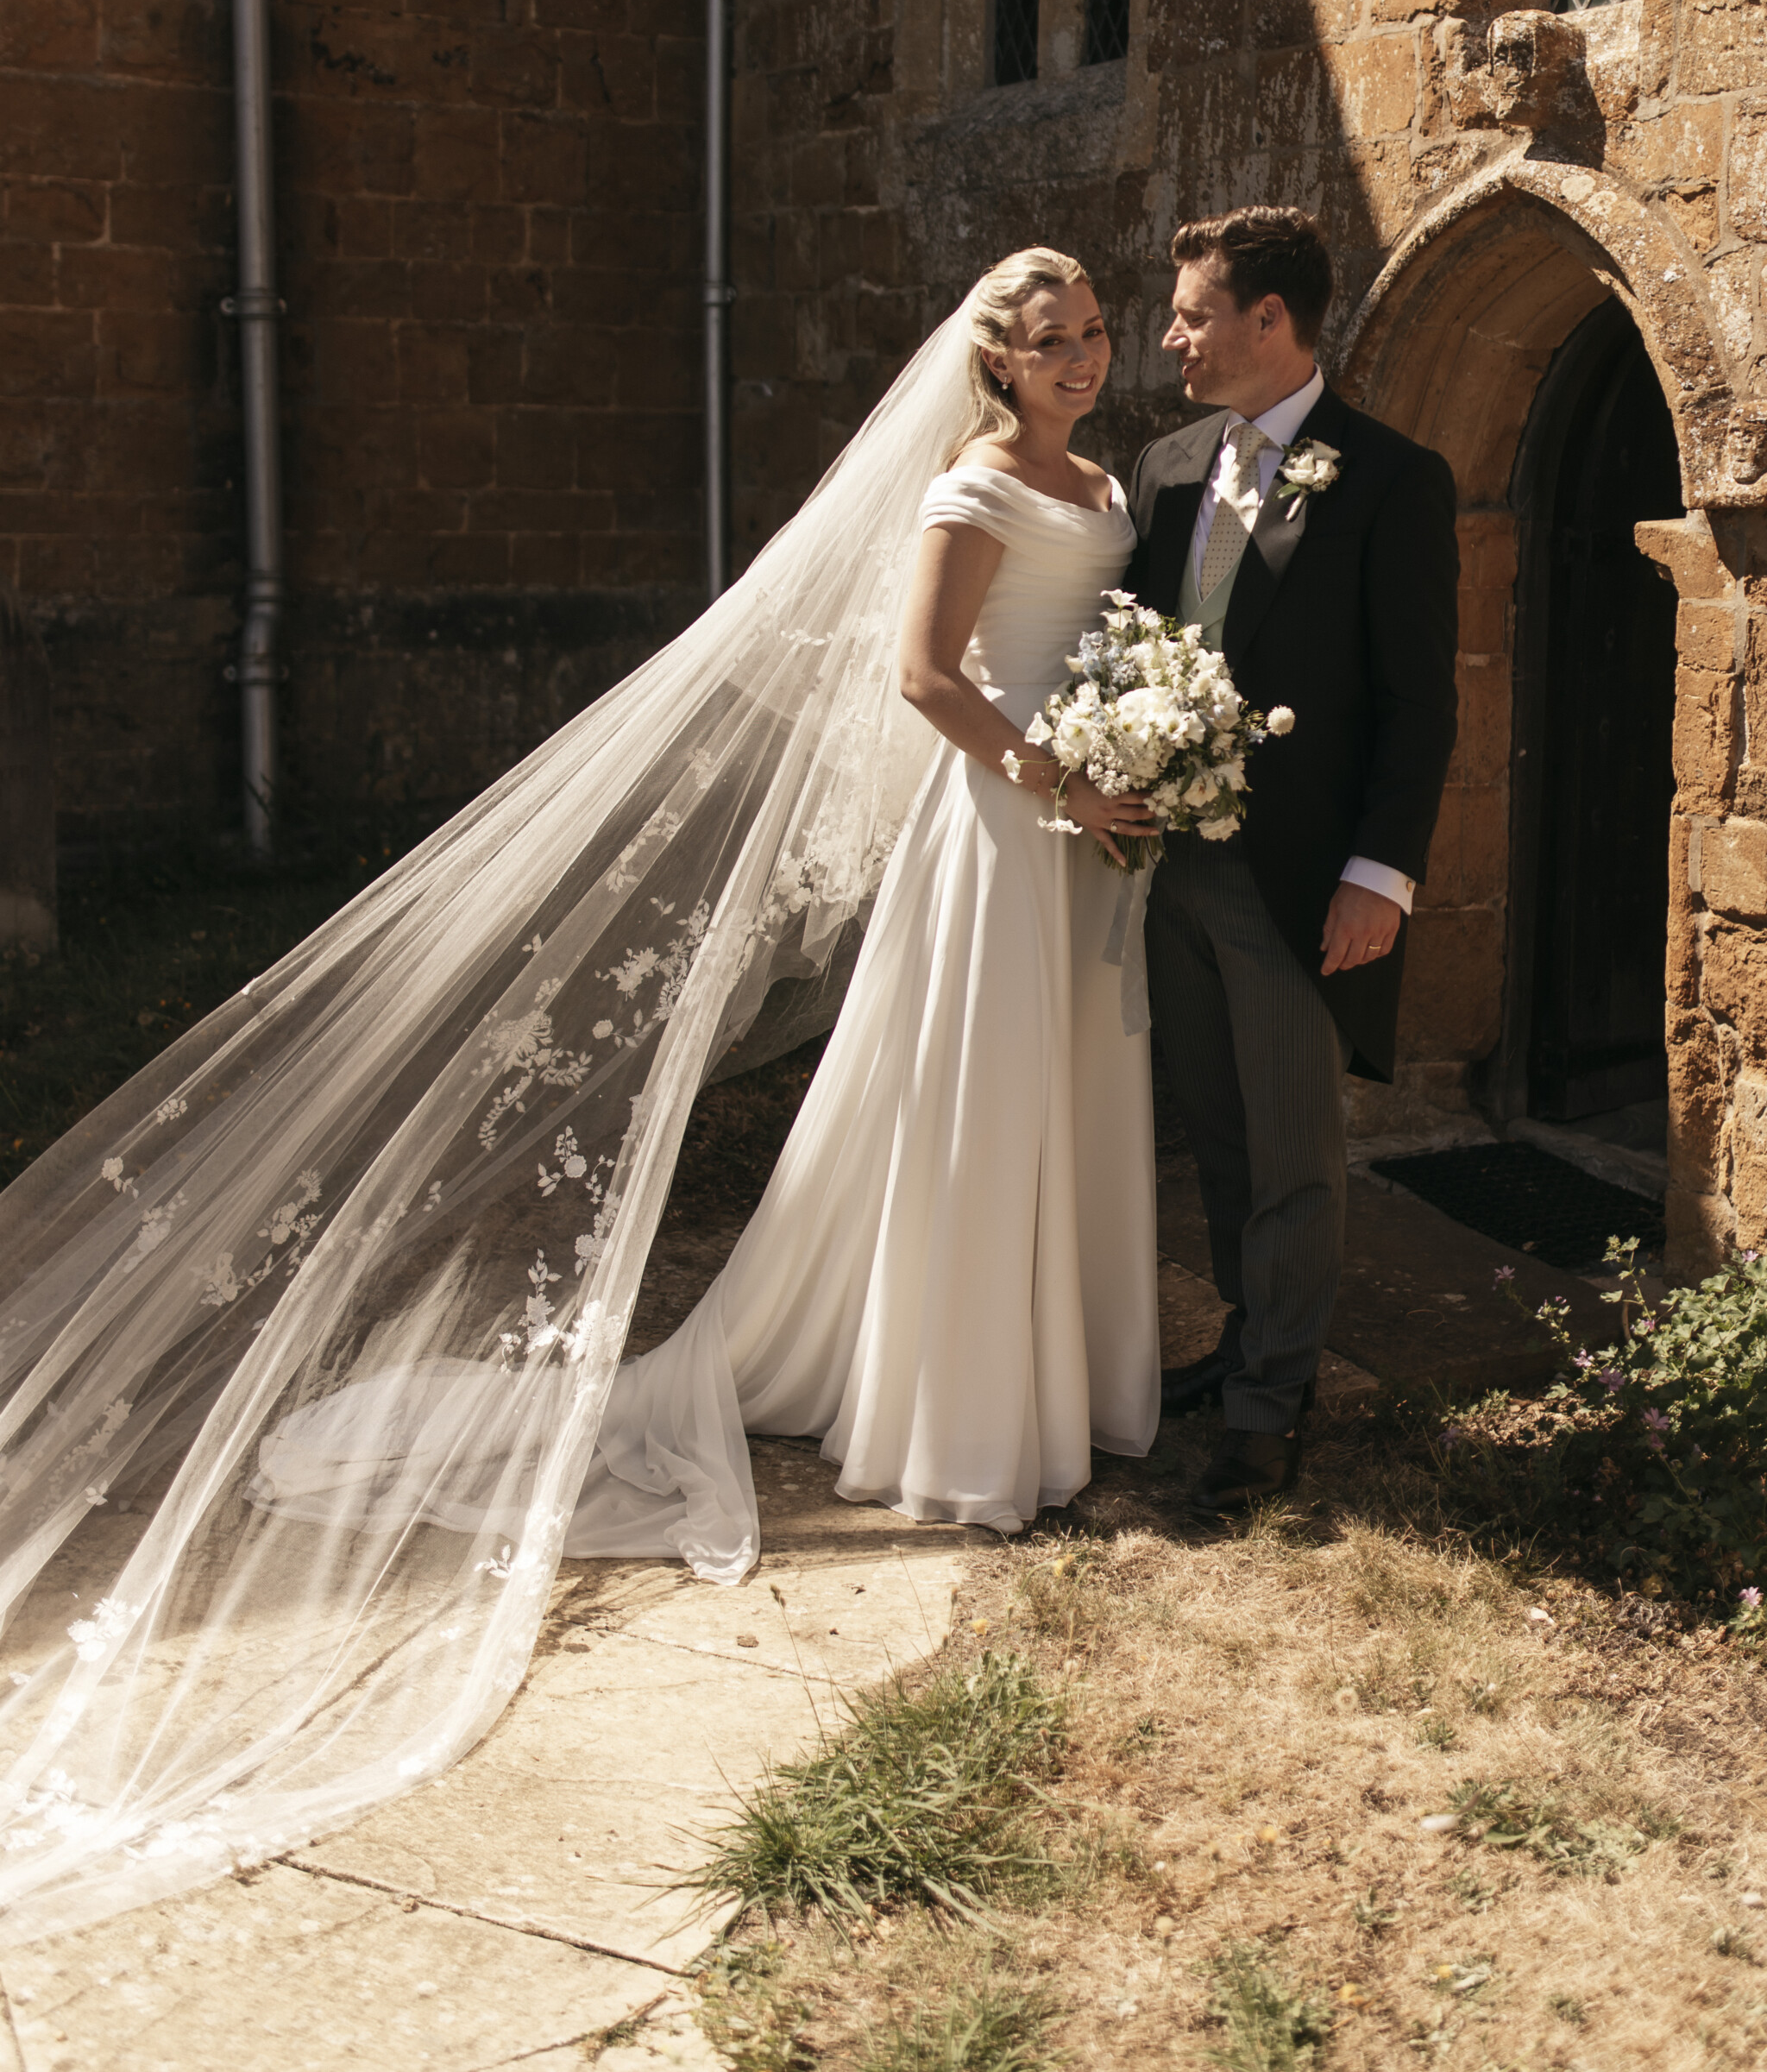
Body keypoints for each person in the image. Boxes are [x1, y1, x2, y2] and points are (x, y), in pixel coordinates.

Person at [0, 251, 1161, 1940]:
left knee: (1061, 1094)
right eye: (1047, 341)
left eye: (1093, 335)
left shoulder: (1108, 481)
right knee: (971, 1110)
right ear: (993, 360)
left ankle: (1059, 1363)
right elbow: (919, 676)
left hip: (1084, 832)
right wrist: (1056, 770)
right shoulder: (970, 484)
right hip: (998, 828)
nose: (1078, 359)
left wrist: (1142, 741)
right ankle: (958, 1407)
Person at [1128, 206, 1460, 1519]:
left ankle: (1272, 1412)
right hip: (1170, 870)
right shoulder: (1162, 468)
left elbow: (1417, 701)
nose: (1174, 338)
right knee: (1214, 1130)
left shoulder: (1389, 476)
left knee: (1296, 1153)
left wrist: (1381, 874)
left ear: (1271, 322)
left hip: (1302, 879)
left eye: (1194, 313)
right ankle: (1246, 1340)